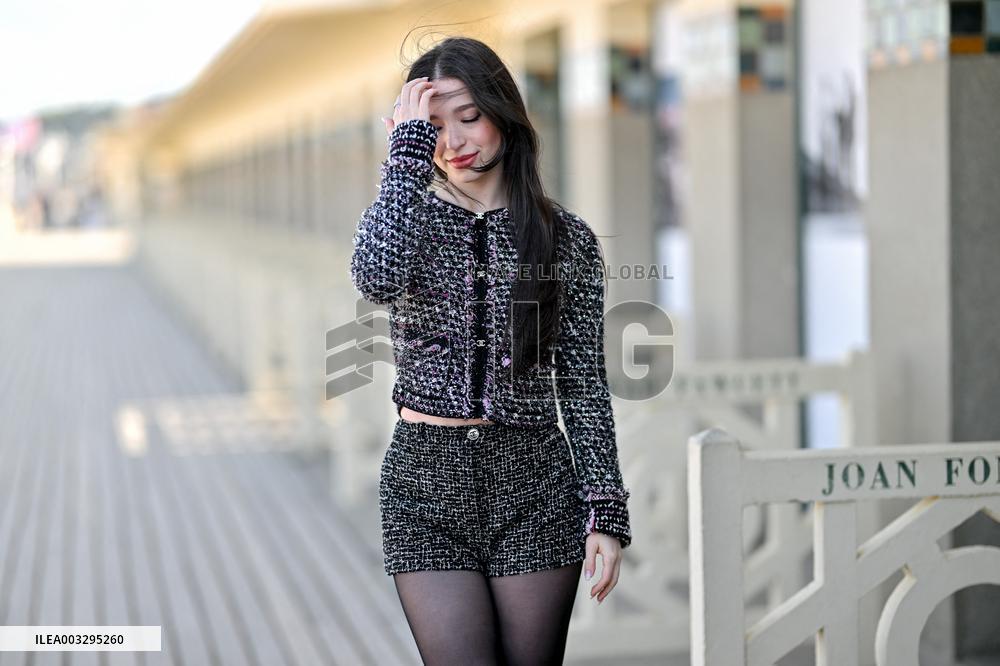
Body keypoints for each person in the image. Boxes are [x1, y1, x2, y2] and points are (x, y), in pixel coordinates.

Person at [350, 35, 632, 665]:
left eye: (469, 117)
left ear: (503, 111)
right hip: (425, 481)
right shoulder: (408, 218)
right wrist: (404, 158)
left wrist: (605, 510)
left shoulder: (566, 240)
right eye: (434, 126)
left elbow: (583, 382)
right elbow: (375, 277)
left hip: (534, 481)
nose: (453, 142)